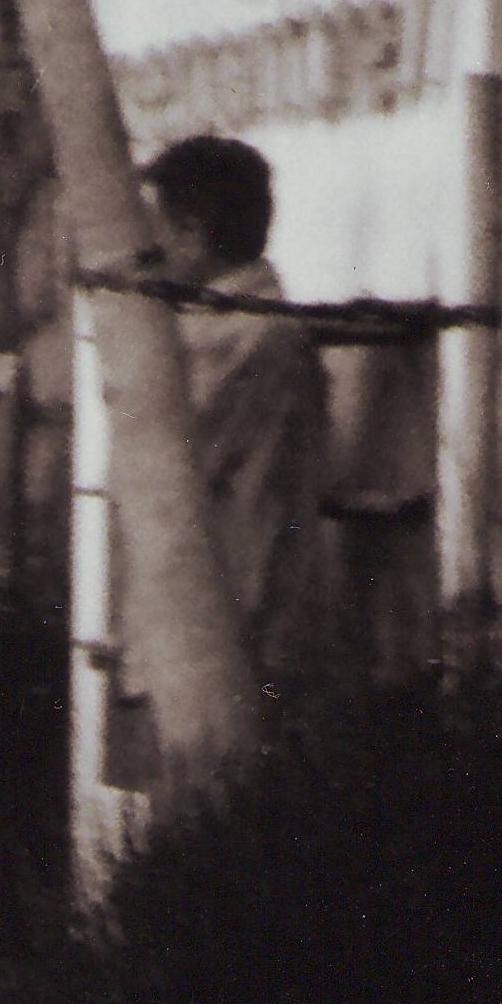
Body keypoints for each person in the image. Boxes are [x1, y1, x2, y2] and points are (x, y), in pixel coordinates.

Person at [140, 134, 333, 692]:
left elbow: (176, 460)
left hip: (231, 610)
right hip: (230, 601)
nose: (150, 251)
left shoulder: (245, 336)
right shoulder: (237, 324)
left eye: (157, 231)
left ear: (192, 233)